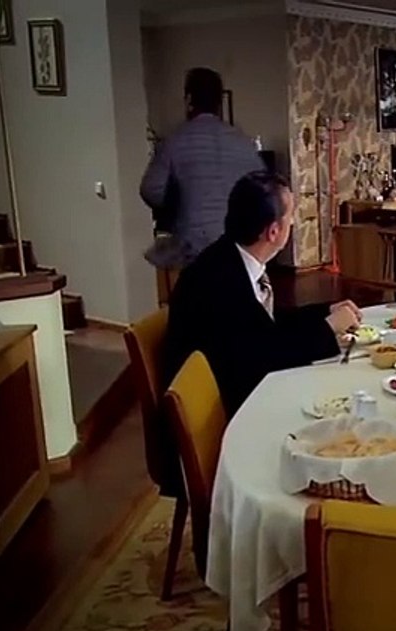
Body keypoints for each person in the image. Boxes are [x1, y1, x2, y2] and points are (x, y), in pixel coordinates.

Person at [163, 171, 361, 416]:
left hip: (241, 384)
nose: (293, 223)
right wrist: (328, 328)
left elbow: (267, 324)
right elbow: (265, 355)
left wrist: (326, 312)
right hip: (226, 411)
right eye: (290, 216)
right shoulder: (217, 281)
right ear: (273, 232)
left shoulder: (232, 258)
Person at [141, 67, 264, 299]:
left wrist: (176, 203)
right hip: (240, 247)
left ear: (189, 100)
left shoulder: (174, 141)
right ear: (219, 102)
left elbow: (151, 190)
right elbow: (263, 193)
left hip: (194, 248)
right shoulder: (243, 143)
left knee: (195, 304)